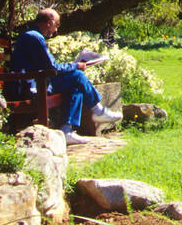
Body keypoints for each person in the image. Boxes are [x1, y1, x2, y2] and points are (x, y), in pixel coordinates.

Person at [11, 8, 121, 145]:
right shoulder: (34, 37)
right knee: (77, 76)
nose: (56, 30)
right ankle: (98, 111)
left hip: (36, 81)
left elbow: (48, 66)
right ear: (49, 22)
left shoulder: (34, 36)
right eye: (56, 24)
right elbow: (52, 67)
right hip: (29, 87)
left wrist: (72, 65)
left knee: (75, 84)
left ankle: (67, 130)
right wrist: (75, 65)